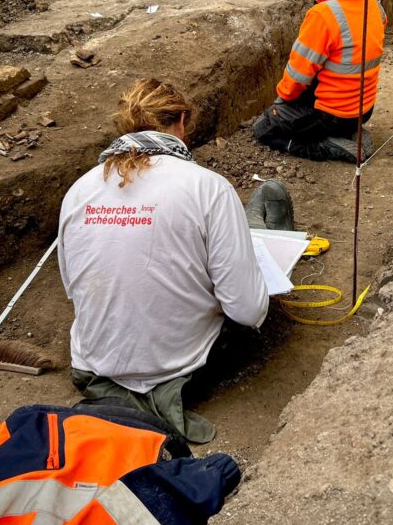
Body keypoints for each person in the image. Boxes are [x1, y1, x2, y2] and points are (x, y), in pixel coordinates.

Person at [58, 79, 293, 443]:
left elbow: (75, 291)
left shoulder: (79, 190)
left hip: (95, 366)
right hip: (180, 369)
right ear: (181, 121)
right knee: (253, 263)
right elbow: (247, 311)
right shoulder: (207, 187)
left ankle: (258, 217)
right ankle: (265, 219)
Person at [253, 0, 387, 160]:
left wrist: (281, 106)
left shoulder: (323, 15)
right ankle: (347, 133)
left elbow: (297, 77)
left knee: (265, 127)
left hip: (333, 114)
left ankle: (326, 146)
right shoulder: (373, 4)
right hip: (364, 109)